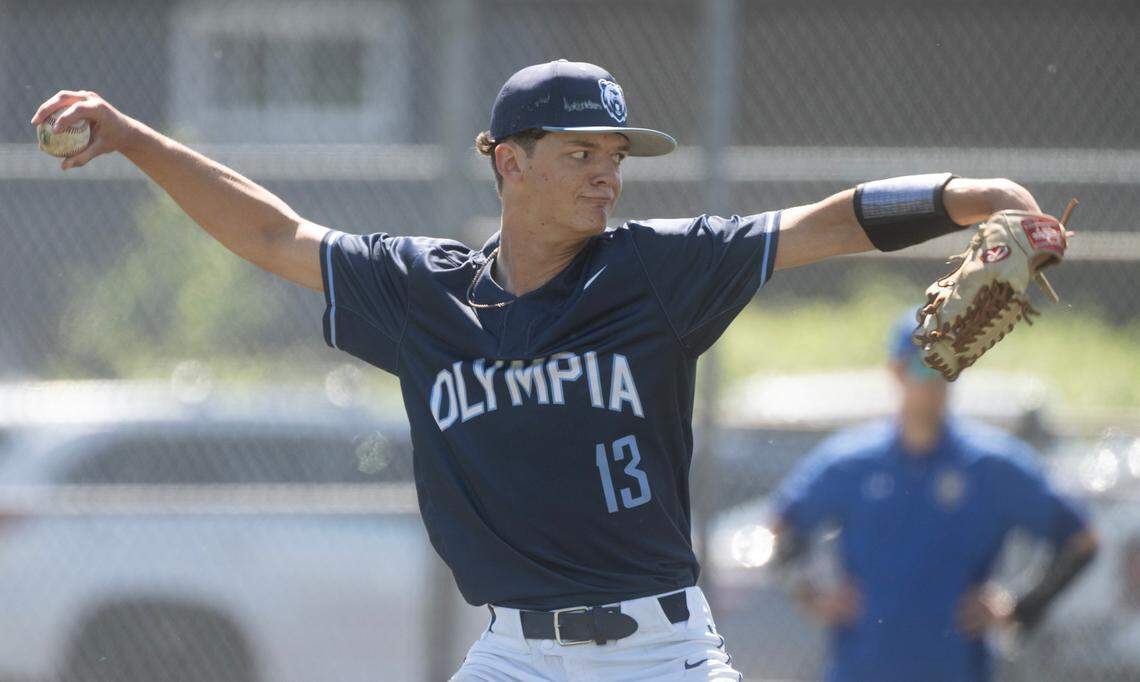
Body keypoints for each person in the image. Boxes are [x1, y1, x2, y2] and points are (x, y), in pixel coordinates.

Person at [32, 59, 1061, 680]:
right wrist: (128, 137)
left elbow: (822, 223)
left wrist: (971, 195)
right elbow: (272, 233)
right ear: (506, 161)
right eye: (580, 153)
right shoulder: (420, 293)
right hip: (515, 652)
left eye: (616, 154)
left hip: (665, 651)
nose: (609, 174)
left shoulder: (659, 270)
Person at [770, 313, 1099, 682]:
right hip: (860, 671)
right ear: (896, 372)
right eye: (927, 365)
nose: (939, 379)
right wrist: (811, 596)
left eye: (950, 363)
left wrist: (1019, 608)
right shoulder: (853, 463)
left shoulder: (991, 466)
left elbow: (1081, 540)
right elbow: (781, 528)